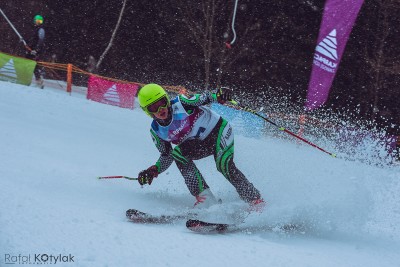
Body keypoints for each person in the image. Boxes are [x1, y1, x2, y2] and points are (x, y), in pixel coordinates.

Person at [137, 83, 265, 211]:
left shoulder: (181, 103)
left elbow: (204, 98)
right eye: (153, 107)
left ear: (167, 99)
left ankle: (255, 200)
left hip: (218, 131)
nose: (161, 109)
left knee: (223, 165)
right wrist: (154, 170)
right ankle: (206, 199)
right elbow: (167, 155)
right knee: (178, 154)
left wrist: (219, 95)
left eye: (162, 102)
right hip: (199, 145)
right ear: (147, 111)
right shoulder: (157, 131)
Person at [25, 14, 45, 89]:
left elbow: (41, 41)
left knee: (33, 65)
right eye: (37, 21)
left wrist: (36, 50)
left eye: (40, 21)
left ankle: (39, 81)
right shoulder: (34, 29)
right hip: (31, 50)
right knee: (29, 64)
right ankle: (32, 79)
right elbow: (32, 40)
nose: (38, 22)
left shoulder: (41, 29)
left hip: (35, 51)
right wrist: (27, 44)